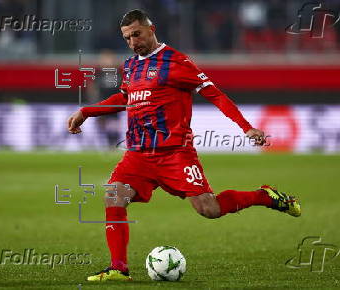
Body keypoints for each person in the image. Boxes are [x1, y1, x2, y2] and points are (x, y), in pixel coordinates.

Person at [67, 9, 301, 282]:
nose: (132, 42)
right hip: (139, 154)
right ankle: (119, 268)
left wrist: (246, 127)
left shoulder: (177, 63)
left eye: (137, 35)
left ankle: (264, 196)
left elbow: (216, 95)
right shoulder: (131, 66)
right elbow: (124, 98)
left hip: (175, 153)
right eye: (127, 38)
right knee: (113, 196)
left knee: (209, 209)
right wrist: (87, 111)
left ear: (151, 29)